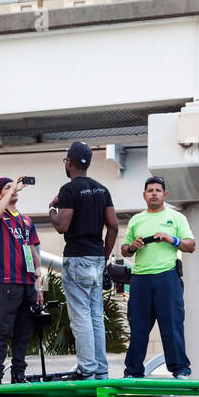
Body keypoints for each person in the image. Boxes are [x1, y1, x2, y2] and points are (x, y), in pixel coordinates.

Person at [51, 141, 117, 380]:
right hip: (97, 259)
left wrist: (52, 209)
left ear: (69, 162)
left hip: (77, 258)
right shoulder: (102, 189)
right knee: (95, 315)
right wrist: (105, 255)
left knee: (80, 315)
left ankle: (86, 368)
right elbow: (113, 226)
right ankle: (101, 369)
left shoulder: (68, 190)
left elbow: (62, 226)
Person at [120, 176, 197, 379]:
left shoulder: (177, 218)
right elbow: (124, 250)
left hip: (167, 276)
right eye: (150, 190)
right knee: (138, 327)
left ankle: (180, 369)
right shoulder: (136, 220)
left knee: (171, 324)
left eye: (158, 190)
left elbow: (191, 245)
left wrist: (172, 239)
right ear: (144, 195)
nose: (154, 193)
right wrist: (132, 247)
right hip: (140, 279)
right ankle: (133, 371)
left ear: (165, 194)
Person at [0, 176, 43, 385]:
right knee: (3, 331)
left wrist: (39, 286)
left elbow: (33, 252)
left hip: (28, 283)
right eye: (7, 188)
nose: (14, 190)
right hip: (8, 282)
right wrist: (10, 192)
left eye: (15, 187)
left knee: (23, 332)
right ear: (0, 194)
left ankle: (19, 373)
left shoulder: (27, 220)